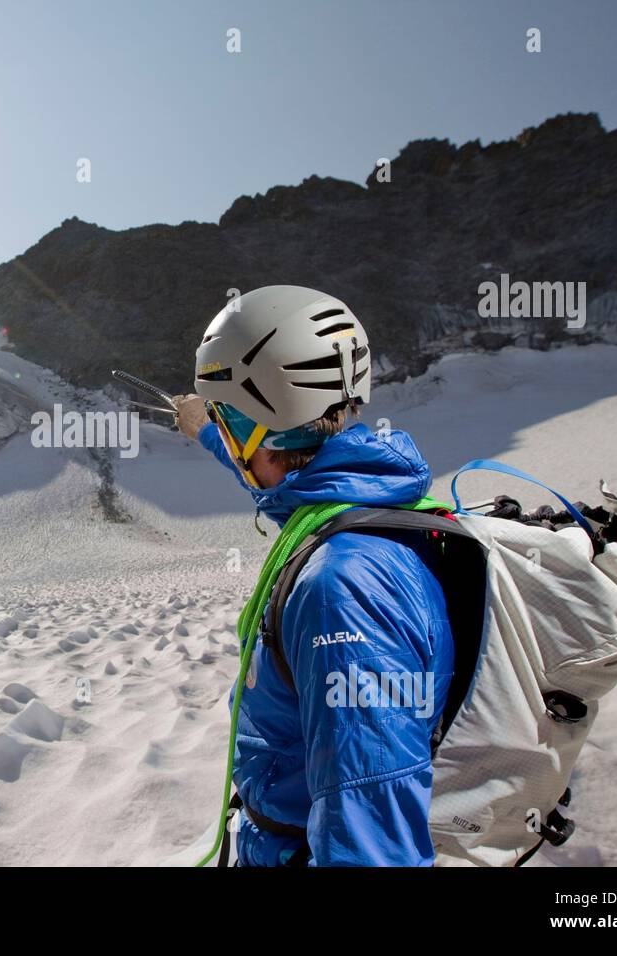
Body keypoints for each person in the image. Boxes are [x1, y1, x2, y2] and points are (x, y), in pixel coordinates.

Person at [175, 285, 454, 866]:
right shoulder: (362, 495)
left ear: (259, 429)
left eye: (230, 424)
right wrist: (207, 427)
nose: (228, 438)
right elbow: (284, 476)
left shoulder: (341, 590)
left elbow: (373, 848)